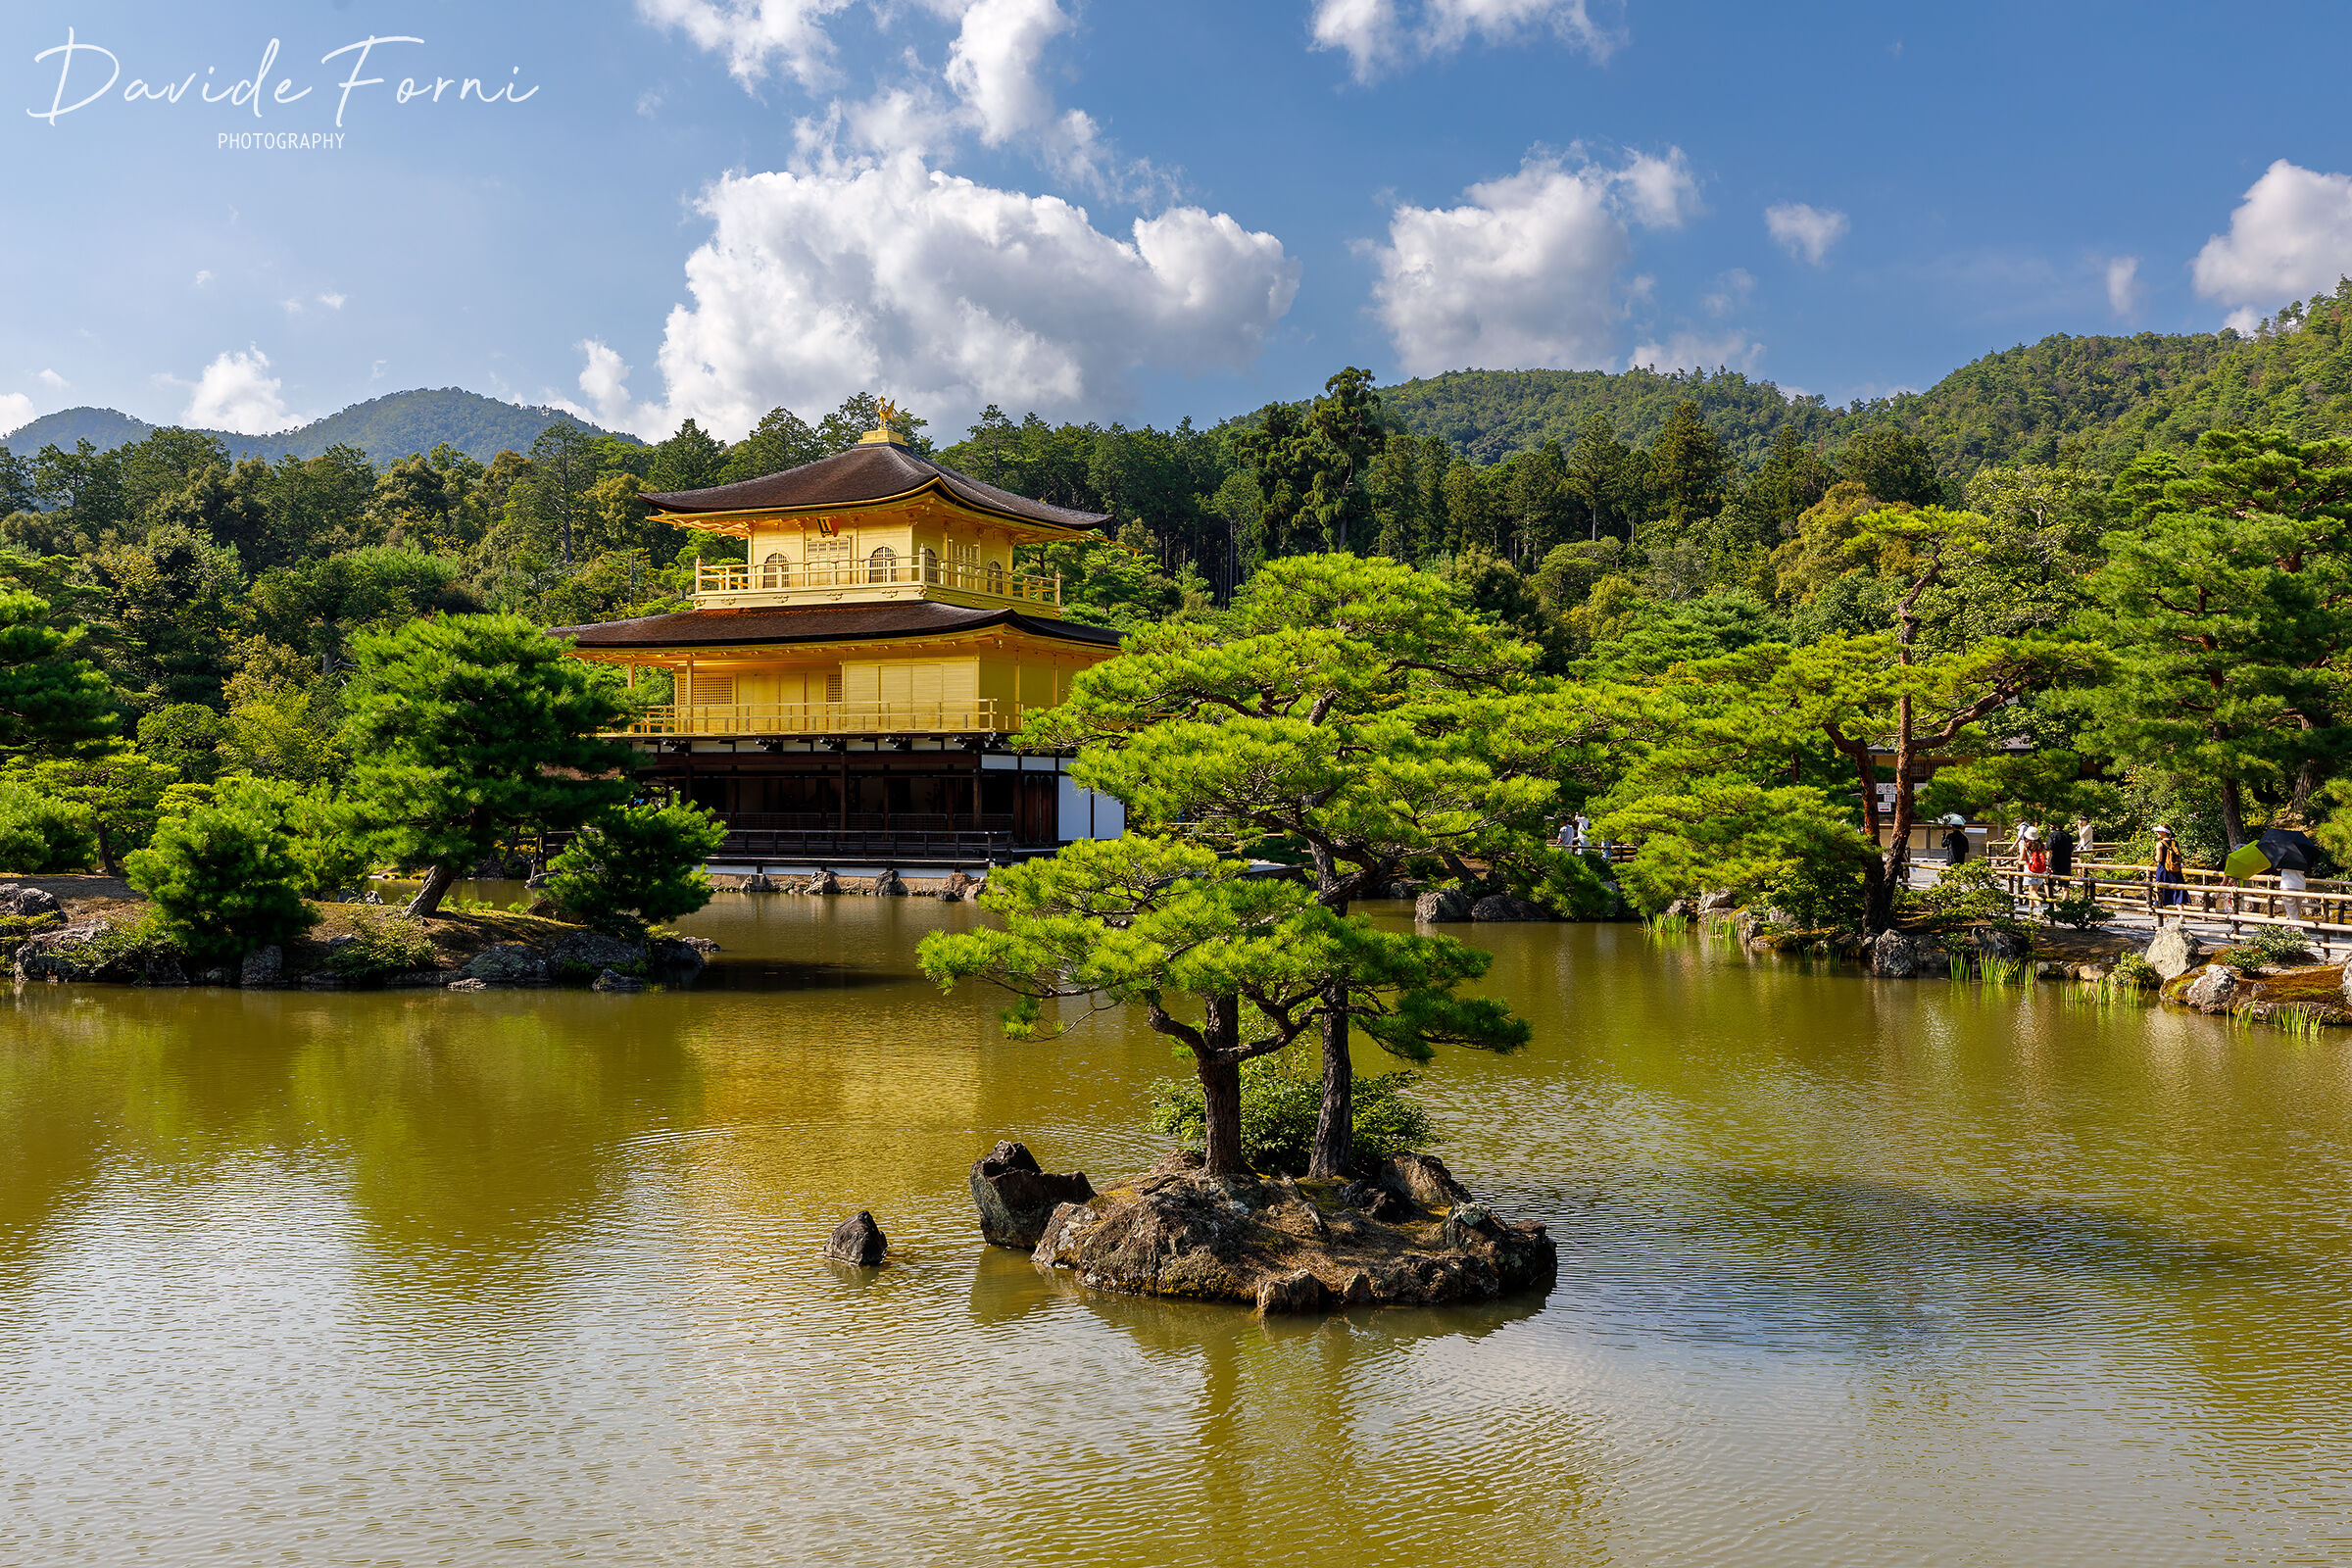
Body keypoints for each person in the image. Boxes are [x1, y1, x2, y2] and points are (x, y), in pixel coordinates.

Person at [2152, 825, 2187, 906]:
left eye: (2158, 831)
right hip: (2176, 870)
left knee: (2161, 892)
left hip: (2163, 870)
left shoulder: (2159, 844)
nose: (2157, 833)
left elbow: (2159, 859)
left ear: (2164, 832)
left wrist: (2155, 858)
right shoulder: (2175, 843)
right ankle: (2181, 912)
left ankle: (2162, 913)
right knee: (2178, 892)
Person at [2021, 824, 2049, 910]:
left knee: (2032, 892)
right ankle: (2031, 910)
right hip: (2040, 870)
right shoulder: (2041, 845)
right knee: (2033, 890)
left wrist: (2018, 862)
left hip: (2030, 869)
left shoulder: (2026, 845)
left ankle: (2040, 906)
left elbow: (2022, 857)